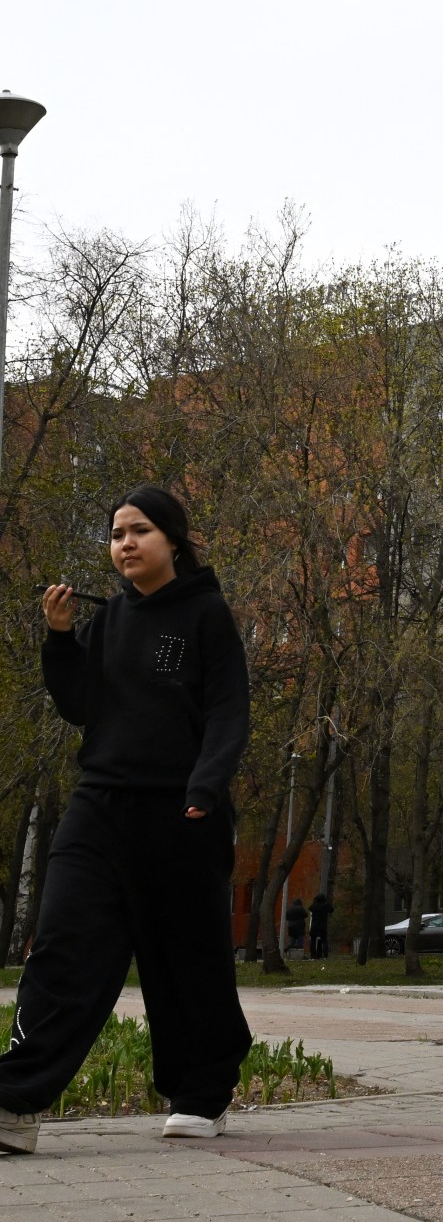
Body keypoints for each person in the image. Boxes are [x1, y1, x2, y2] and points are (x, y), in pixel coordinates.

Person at [0, 487, 253, 1156]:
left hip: (183, 811)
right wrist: (60, 639)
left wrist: (206, 783)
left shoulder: (204, 614)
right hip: (99, 805)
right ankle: (13, 1100)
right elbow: (80, 706)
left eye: (139, 530)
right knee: (63, 945)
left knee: (185, 960)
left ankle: (201, 1091)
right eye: (116, 535)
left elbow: (228, 708)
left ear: (173, 540)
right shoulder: (108, 618)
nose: (126, 544)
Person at [308, 890, 334, 961]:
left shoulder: (314, 906)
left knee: (313, 940)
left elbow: (310, 908)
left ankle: (313, 955)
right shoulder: (326, 906)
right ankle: (325, 955)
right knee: (324, 940)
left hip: (314, 925)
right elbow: (332, 909)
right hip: (323, 926)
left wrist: (314, 902)